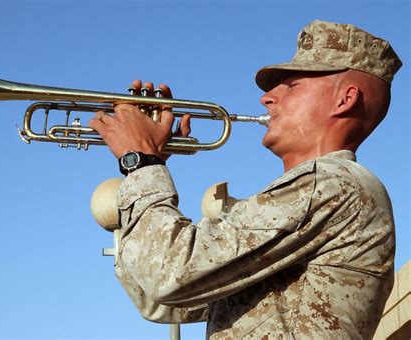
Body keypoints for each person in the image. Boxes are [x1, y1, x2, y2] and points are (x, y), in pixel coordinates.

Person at [89, 20, 402, 339]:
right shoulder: (319, 193)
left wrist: (141, 161)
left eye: (291, 86)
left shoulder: (334, 184)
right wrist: (147, 161)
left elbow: (169, 275)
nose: (267, 98)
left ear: (345, 100)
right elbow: (159, 300)